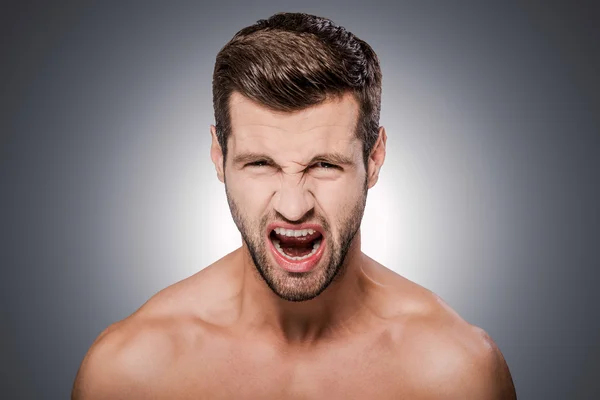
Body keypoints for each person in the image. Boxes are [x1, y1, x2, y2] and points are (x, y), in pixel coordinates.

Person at [72, 12, 516, 399]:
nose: (292, 205)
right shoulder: (131, 372)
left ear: (374, 159)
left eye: (324, 165)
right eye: (261, 163)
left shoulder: (455, 373)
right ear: (217, 156)